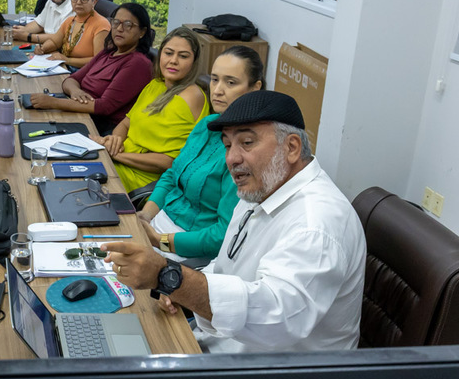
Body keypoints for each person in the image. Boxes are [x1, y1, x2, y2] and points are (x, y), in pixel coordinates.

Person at [103, 90, 367, 354]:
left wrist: (170, 277)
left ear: (292, 147)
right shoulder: (262, 188)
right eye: (228, 145)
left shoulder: (316, 224)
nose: (232, 158)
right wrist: (185, 292)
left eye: (247, 143)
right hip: (220, 343)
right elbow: (228, 263)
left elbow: (275, 319)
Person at [136, 45, 265, 258]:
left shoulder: (246, 152)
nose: (217, 90)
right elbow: (172, 174)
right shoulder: (207, 123)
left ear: (254, 88)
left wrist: (160, 242)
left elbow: (222, 236)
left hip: (188, 250)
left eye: (230, 82)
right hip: (156, 224)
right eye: (214, 79)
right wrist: (145, 215)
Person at [95, 27, 210, 193]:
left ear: (194, 62)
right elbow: (127, 123)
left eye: (183, 56)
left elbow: (169, 162)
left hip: (141, 183)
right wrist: (114, 141)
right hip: (116, 163)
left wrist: (115, 155)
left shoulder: (192, 96)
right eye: (168, 53)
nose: (173, 61)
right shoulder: (155, 85)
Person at [29, 2, 152, 135]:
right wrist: (75, 91)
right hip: (80, 112)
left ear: (142, 32)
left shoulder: (138, 63)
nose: (120, 29)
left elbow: (103, 107)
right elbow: (71, 79)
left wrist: (53, 103)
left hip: (100, 127)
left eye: (128, 25)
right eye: (116, 23)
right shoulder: (108, 52)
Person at [33, 0, 111, 69]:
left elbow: (99, 60)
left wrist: (66, 60)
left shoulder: (101, 25)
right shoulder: (70, 21)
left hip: (84, 73)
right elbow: (55, 42)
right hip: (65, 68)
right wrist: (43, 48)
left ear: (94, 2)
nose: (78, 2)